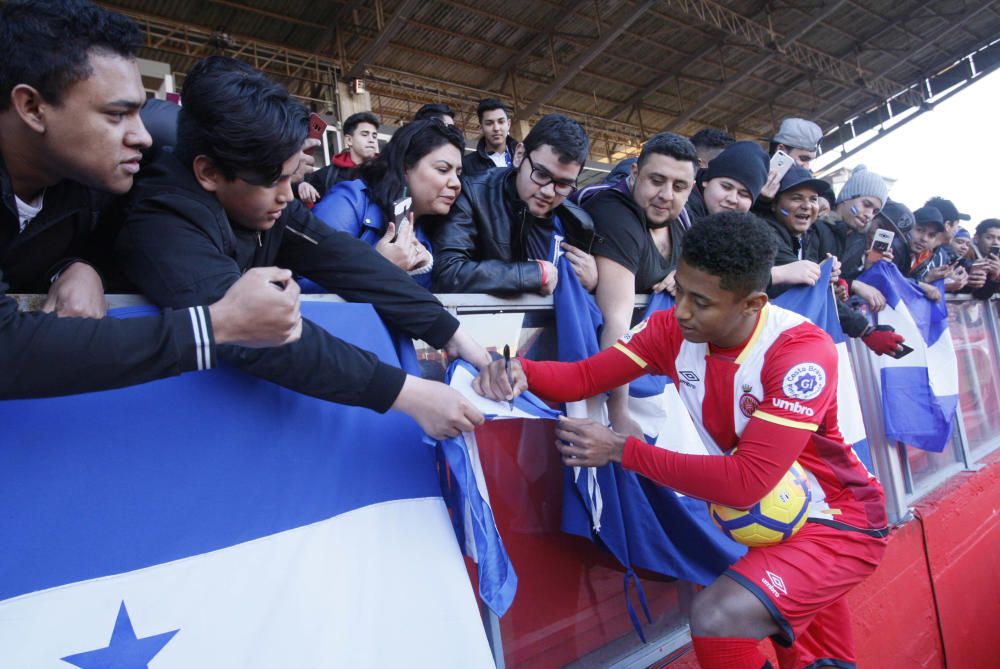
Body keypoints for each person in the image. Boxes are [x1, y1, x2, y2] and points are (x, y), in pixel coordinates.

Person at [475, 212, 888, 669]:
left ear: (752, 304)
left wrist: (620, 450)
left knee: (717, 617)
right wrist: (520, 371)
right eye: (682, 291)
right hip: (776, 525)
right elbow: (586, 376)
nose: (684, 310)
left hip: (837, 523)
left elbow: (746, 482)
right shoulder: (674, 329)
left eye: (703, 301)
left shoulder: (800, 352)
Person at [116, 56, 487, 440]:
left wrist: (452, 333)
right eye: (273, 180)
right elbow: (251, 330)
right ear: (209, 172)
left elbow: (342, 256)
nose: (286, 196)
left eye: (291, 176)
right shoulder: (162, 221)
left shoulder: (270, 204)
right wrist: (408, 394)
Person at [0, 0, 302, 400]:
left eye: (139, 113)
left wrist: (73, 266)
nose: (141, 136)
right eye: (116, 115)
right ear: (33, 107)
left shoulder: (94, 181)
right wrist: (214, 326)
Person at [585, 132, 699, 436]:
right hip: (602, 379)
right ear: (635, 174)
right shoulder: (614, 213)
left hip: (654, 378)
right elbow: (617, 321)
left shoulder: (682, 219)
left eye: (679, 186)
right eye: (656, 180)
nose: (666, 194)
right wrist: (618, 412)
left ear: (691, 189)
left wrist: (684, 272)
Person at [431, 113, 597, 295]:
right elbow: (447, 273)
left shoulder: (578, 222)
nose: (549, 192)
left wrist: (594, 283)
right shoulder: (472, 194)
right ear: (519, 155)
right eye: (541, 174)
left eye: (563, 184)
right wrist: (534, 274)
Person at [765, 168, 904, 356]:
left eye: (813, 199)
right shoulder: (798, 231)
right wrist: (865, 329)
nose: (869, 214)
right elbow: (805, 287)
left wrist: (850, 279)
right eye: (797, 198)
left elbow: (819, 284)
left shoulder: (853, 240)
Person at [312, 120, 464, 288]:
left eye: (459, 173)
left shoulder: (430, 233)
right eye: (443, 169)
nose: (456, 183)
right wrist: (376, 267)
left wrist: (423, 269)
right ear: (405, 167)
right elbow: (304, 281)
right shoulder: (350, 201)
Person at [297, 110, 380, 204]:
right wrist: (300, 186)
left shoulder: (386, 172)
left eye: (374, 136)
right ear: (349, 140)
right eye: (365, 135)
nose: (371, 140)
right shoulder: (326, 176)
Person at [684, 140, 769, 222]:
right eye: (726, 187)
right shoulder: (682, 213)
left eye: (744, 194)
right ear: (706, 181)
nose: (732, 199)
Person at [461, 98, 518, 177]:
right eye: (489, 123)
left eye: (501, 122)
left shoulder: (523, 158)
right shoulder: (467, 165)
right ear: (481, 128)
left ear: (508, 124)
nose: (496, 128)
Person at [966, 218, 1000, 299]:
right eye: (989, 237)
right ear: (977, 238)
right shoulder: (966, 255)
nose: (995, 242)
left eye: (999, 238)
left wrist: (995, 275)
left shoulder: (997, 260)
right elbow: (979, 294)